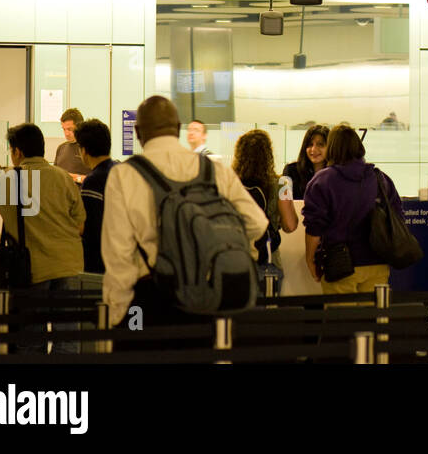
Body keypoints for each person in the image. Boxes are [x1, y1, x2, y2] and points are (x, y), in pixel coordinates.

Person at [100, 96, 268, 339]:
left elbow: (119, 254)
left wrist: (117, 314)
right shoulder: (214, 169)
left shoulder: (124, 175)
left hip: (150, 299)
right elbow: (258, 223)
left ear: (137, 131)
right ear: (178, 128)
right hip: (208, 298)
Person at [0, 123, 85, 354]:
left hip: (33, 269)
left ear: (17, 152)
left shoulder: (5, 181)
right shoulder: (64, 179)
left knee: (31, 337)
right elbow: (80, 225)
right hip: (69, 265)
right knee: (68, 336)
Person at [302, 124, 404, 296]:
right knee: (372, 318)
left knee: (343, 320)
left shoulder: (322, 181)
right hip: (377, 262)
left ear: (332, 148)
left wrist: (310, 259)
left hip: (340, 266)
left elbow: (314, 227)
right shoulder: (381, 178)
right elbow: (398, 216)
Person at [233, 129, 283, 267]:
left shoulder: (230, 182)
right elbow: (290, 225)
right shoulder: (281, 183)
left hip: (237, 255)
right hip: (268, 255)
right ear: (268, 155)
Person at [75, 118, 115, 275]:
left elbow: (87, 226)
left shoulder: (93, 180)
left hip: (98, 262)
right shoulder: (120, 170)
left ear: (84, 150)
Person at [280, 123, 328, 236]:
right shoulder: (289, 170)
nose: (313, 149)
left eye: (320, 144)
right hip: (293, 234)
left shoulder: (334, 175)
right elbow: (282, 199)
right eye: (310, 144)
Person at [53, 108, 92, 179]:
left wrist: (76, 178)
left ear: (79, 127)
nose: (66, 133)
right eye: (64, 129)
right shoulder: (61, 148)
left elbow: (99, 180)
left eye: (70, 129)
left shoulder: (89, 148)